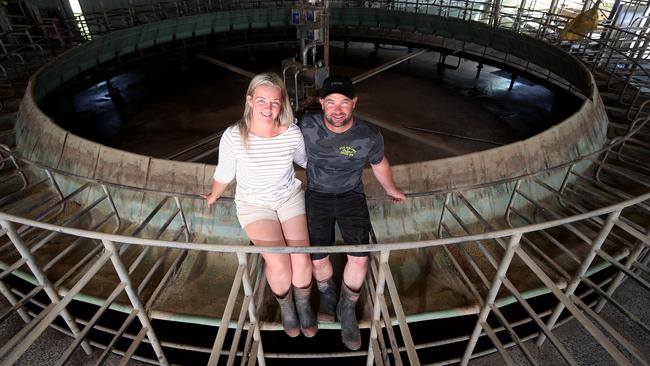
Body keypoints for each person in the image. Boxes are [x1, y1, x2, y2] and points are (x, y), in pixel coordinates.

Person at [203, 73, 317, 338]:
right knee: (278, 261)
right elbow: (225, 173)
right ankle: (287, 306)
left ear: (283, 104)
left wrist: (337, 174)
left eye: (275, 102)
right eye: (262, 100)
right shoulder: (234, 135)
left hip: (288, 197)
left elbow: (307, 162)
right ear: (250, 100)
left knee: (301, 257)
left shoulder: (291, 132)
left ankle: (303, 304)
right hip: (254, 205)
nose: (269, 108)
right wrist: (213, 194)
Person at [300, 75, 406, 350]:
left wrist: (391, 189)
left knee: (359, 258)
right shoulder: (305, 126)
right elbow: (274, 140)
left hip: (352, 196)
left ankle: (347, 307)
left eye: (344, 103)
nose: (337, 109)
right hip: (317, 196)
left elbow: (380, 164)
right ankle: (327, 296)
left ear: (354, 103)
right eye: (331, 102)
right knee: (317, 256)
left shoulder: (368, 135)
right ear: (322, 103)